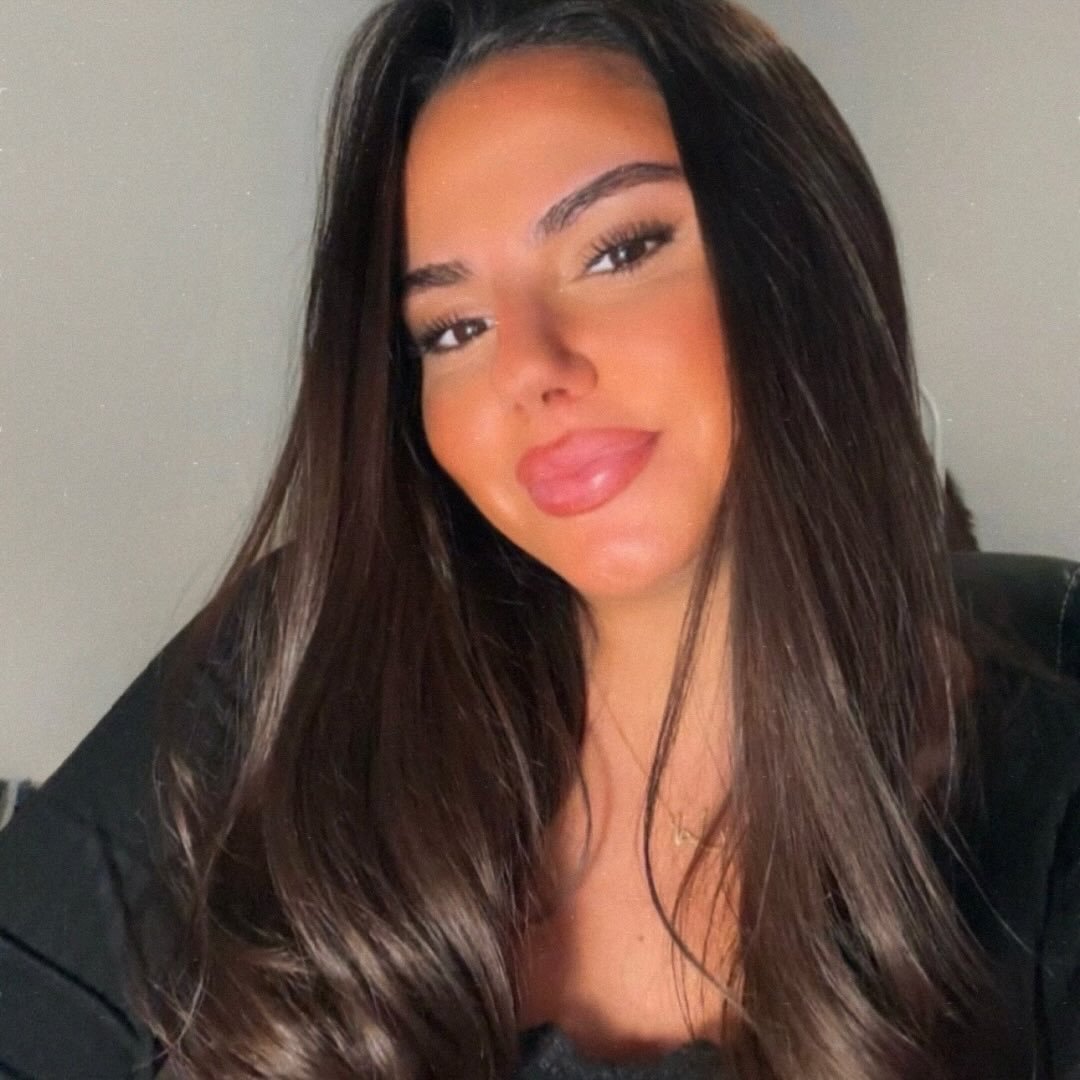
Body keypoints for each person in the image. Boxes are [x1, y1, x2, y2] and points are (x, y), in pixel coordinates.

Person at [1, 1, 1079, 1077]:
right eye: (453, 328)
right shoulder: (296, 666)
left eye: (618, 250)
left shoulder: (1046, 804)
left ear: (811, 253)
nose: (526, 367)